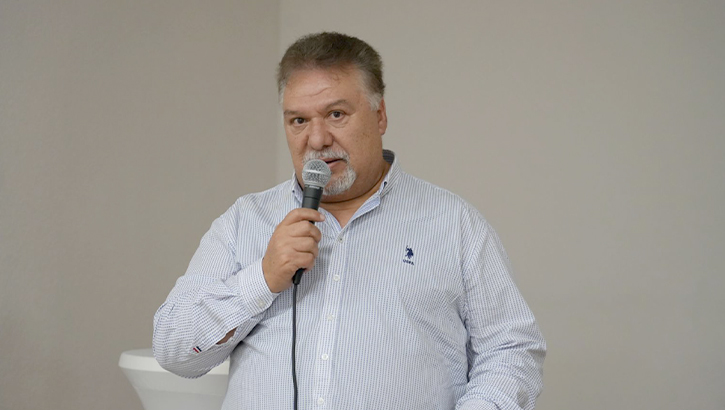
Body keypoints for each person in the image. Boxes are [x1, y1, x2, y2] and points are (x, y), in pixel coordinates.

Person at [153, 32, 546, 410]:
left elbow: (510, 351)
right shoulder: (244, 221)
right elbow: (174, 352)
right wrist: (263, 278)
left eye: (336, 114)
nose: (317, 139)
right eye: (298, 121)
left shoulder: (454, 224)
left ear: (380, 116)